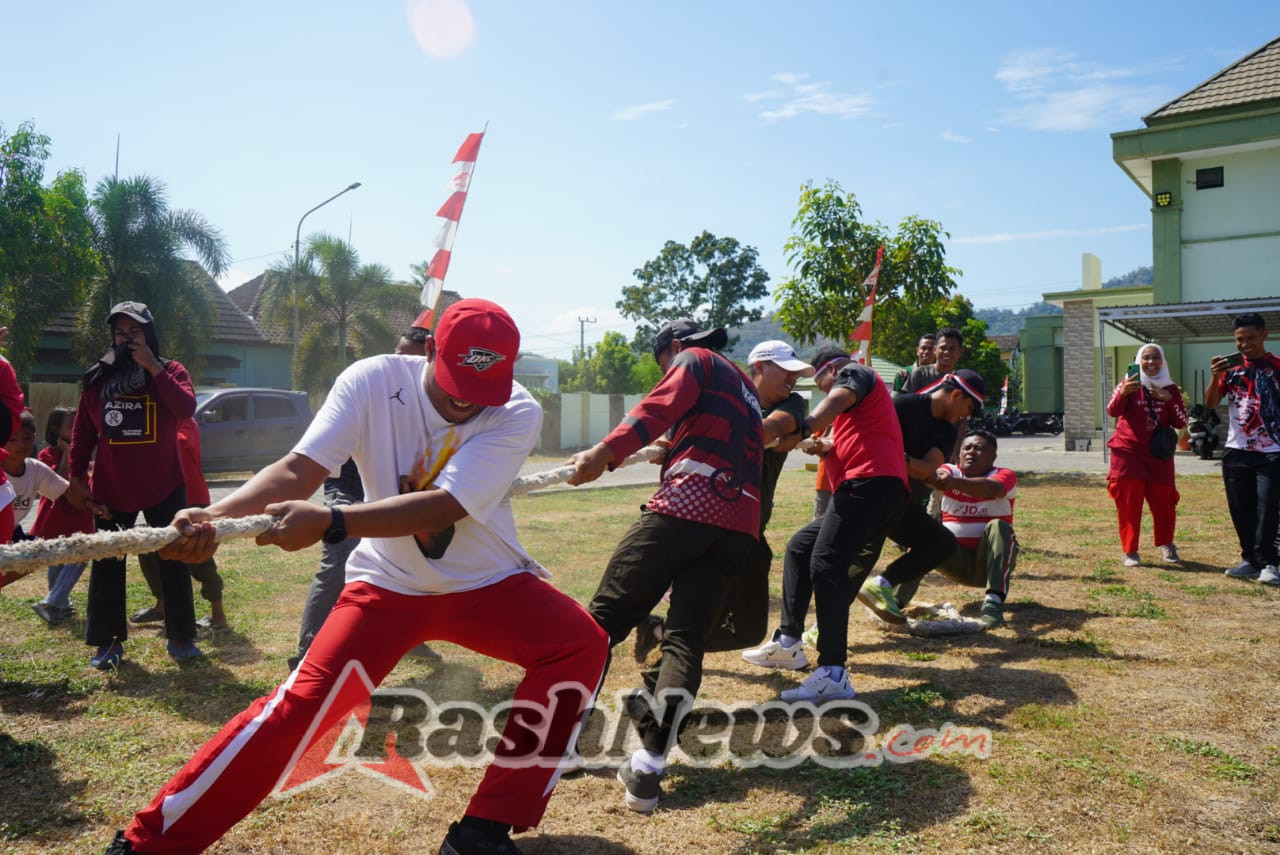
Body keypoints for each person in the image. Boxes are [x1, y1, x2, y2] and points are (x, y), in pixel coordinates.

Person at [104, 298, 608, 855]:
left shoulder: (517, 409)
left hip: (486, 583)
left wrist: (332, 520)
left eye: (480, 388)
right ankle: (147, 843)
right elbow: (299, 469)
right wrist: (215, 517)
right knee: (294, 712)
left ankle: (484, 830)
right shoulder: (370, 381)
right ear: (430, 349)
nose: (464, 400)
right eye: (454, 382)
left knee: (580, 647)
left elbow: (442, 507)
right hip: (388, 585)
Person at [569, 318, 763, 814]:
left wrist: (605, 453)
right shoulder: (743, 385)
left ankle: (560, 742)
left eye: (662, 364)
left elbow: (659, 406)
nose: (665, 371)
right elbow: (705, 436)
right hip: (740, 523)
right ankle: (649, 769)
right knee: (685, 640)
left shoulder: (693, 360)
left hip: (687, 506)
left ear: (674, 347)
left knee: (602, 622)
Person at [742, 346, 908, 702]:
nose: (817, 388)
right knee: (801, 547)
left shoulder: (855, 373)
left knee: (825, 563)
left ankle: (833, 671)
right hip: (874, 488)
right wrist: (822, 445)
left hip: (869, 484)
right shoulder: (857, 410)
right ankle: (788, 642)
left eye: (816, 379)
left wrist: (803, 428)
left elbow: (834, 401)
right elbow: (851, 434)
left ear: (830, 369)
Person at [634, 339, 811, 663]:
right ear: (759, 367)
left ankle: (659, 633)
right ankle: (658, 684)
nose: (792, 378)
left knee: (747, 630)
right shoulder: (719, 399)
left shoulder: (794, 403)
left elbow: (772, 428)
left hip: (749, 533)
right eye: (785, 371)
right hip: (704, 527)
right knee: (699, 618)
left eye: (795, 373)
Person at [288, 321, 441, 670]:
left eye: (414, 361)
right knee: (338, 561)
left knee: (416, 561)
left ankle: (412, 639)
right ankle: (305, 655)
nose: (404, 367)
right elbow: (317, 464)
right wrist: (340, 510)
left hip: (401, 499)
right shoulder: (368, 386)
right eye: (399, 356)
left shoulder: (434, 406)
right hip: (349, 492)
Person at [65, 301, 202, 668]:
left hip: (165, 486)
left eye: (135, 333)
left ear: (150, 335)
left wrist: (153, 367)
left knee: (173, 561)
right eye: (120, 333)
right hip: (112, 491)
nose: (127, 340)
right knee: (108, 566)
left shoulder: (171, 371)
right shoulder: (97, 379)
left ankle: (181, 638)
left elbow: (185, 408)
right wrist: (76, 479)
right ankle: (107, 646)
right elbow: (82, 434)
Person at [854, 370, 985, 622]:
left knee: (941, 542)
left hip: (901, 503)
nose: (966, 416)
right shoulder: (902, 406)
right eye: (968, 407)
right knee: (857, 565)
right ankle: (822, 628)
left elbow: (926, 467)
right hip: (869, 496)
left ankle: (883, 582)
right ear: (955, 394)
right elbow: (868, 442)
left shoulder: (947, 431)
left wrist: (897, 456)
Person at [133, 417, 229, 630]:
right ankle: (161, 605)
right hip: (159, 497)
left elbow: (180, 442)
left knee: (199, 556)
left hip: (190, 498)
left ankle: (217, 614)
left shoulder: (184, 420)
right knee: (151, 551)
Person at [1206, 312, 1280, 584]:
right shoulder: (1231, 369)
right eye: (1239, 339)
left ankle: (1270, 562)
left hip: (1272, 451)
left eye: (1250, 338)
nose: (1244, 344)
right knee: (1240, 507)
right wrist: (1216, 377)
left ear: (1264, 335)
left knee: (1268, 507)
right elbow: (1212, 403)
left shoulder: (1276, 366)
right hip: (1236, 449)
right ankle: (1249, 559)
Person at [1105, 343, 1188, 567]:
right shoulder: (1129, 384)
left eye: (1156, 358)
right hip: (1128, 454)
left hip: (1158, 456)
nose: (1151, 363)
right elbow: (1112, 410)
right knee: (1129, 504)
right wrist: (1123, 393)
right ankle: (1130, 550)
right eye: (1146, 358)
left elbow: (1181, 420)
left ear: (1163, 362)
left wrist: (1167, 399)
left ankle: (1167, 544)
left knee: (1165, 503)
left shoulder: (1170, 389)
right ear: (1138, 361)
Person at [931, 429, 1019, 627]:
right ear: (959, 453)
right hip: (954, 561)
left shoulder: (1005, 476)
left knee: (999, 527)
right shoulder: (949, 471)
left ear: (993, 456)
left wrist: (951, 483)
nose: (971, 452)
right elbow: (938, 475)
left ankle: (993, 604)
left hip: (988, 567)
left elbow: (991, 489)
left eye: (979, 448)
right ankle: (896, 600)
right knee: (927, 536)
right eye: (966, 448)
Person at [31, 407, 96, 624]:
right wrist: (68, 453)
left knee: (78, 556)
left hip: (80, 516)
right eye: (71, 425)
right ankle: (54, 603)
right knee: (59, 562)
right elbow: (58, 484)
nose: (77, 428)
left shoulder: (84, 452)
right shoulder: (46, 454)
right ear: (55, 429)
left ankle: (57, 603)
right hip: (56, 518)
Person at [898, 328, 964, 395]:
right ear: (935, 349)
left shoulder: (960, 382)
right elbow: (905, 402)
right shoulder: (920, 374)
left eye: (952, 349)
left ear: (960, 352)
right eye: (943, 348)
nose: (947, 352)